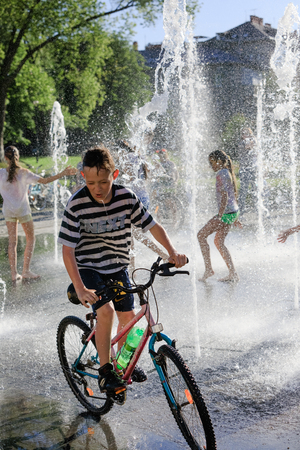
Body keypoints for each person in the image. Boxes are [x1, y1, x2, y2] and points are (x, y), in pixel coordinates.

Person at [58, 145, 187, 395]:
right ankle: (107, 373)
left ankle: (120, 364)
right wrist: (80, 287)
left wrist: (171, 253)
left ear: (114, 175)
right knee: (105, 312)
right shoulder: (76, 204)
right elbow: (68, 251)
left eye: (104, 182)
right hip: (88, 267)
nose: (98, 188)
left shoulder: (126, 197)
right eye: (92, 182)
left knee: (128, 319)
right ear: (83, 176)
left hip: (117, 266)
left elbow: (153, 226)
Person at [0, 145, 77, 281]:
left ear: (5, 158)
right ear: (18, 157)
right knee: (31, 239)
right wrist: (63, 173)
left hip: (8, 211)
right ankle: (26, 270)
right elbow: (45, 181)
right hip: (23, 211)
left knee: (12, 242)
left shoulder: (1, 173)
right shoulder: (24, 172)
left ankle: (14, 274)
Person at [197, 150, 242, 283]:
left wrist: (220, 216)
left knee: (201, 235)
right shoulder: (227, 172)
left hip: (226, 214)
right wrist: (236, 217)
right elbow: (234, 194)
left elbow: (225, 195)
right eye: (210, 163)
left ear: (221, 161)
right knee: (219, 242)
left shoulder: (221, 174)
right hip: (232, 212)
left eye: (213, 162)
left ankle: (209, 269)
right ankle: (233, 273)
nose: (212, 165)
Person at [238, 127, 257, 214]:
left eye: (247, 133)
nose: (245, 135)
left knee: (255, 189)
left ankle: (257, 208)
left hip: (253, 169)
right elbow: (248, 147)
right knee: (243, 191)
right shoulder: (242, 143)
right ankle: (241, 211)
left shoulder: (253, 141)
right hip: (244, 169)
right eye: (243, 133)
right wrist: (253, 140)